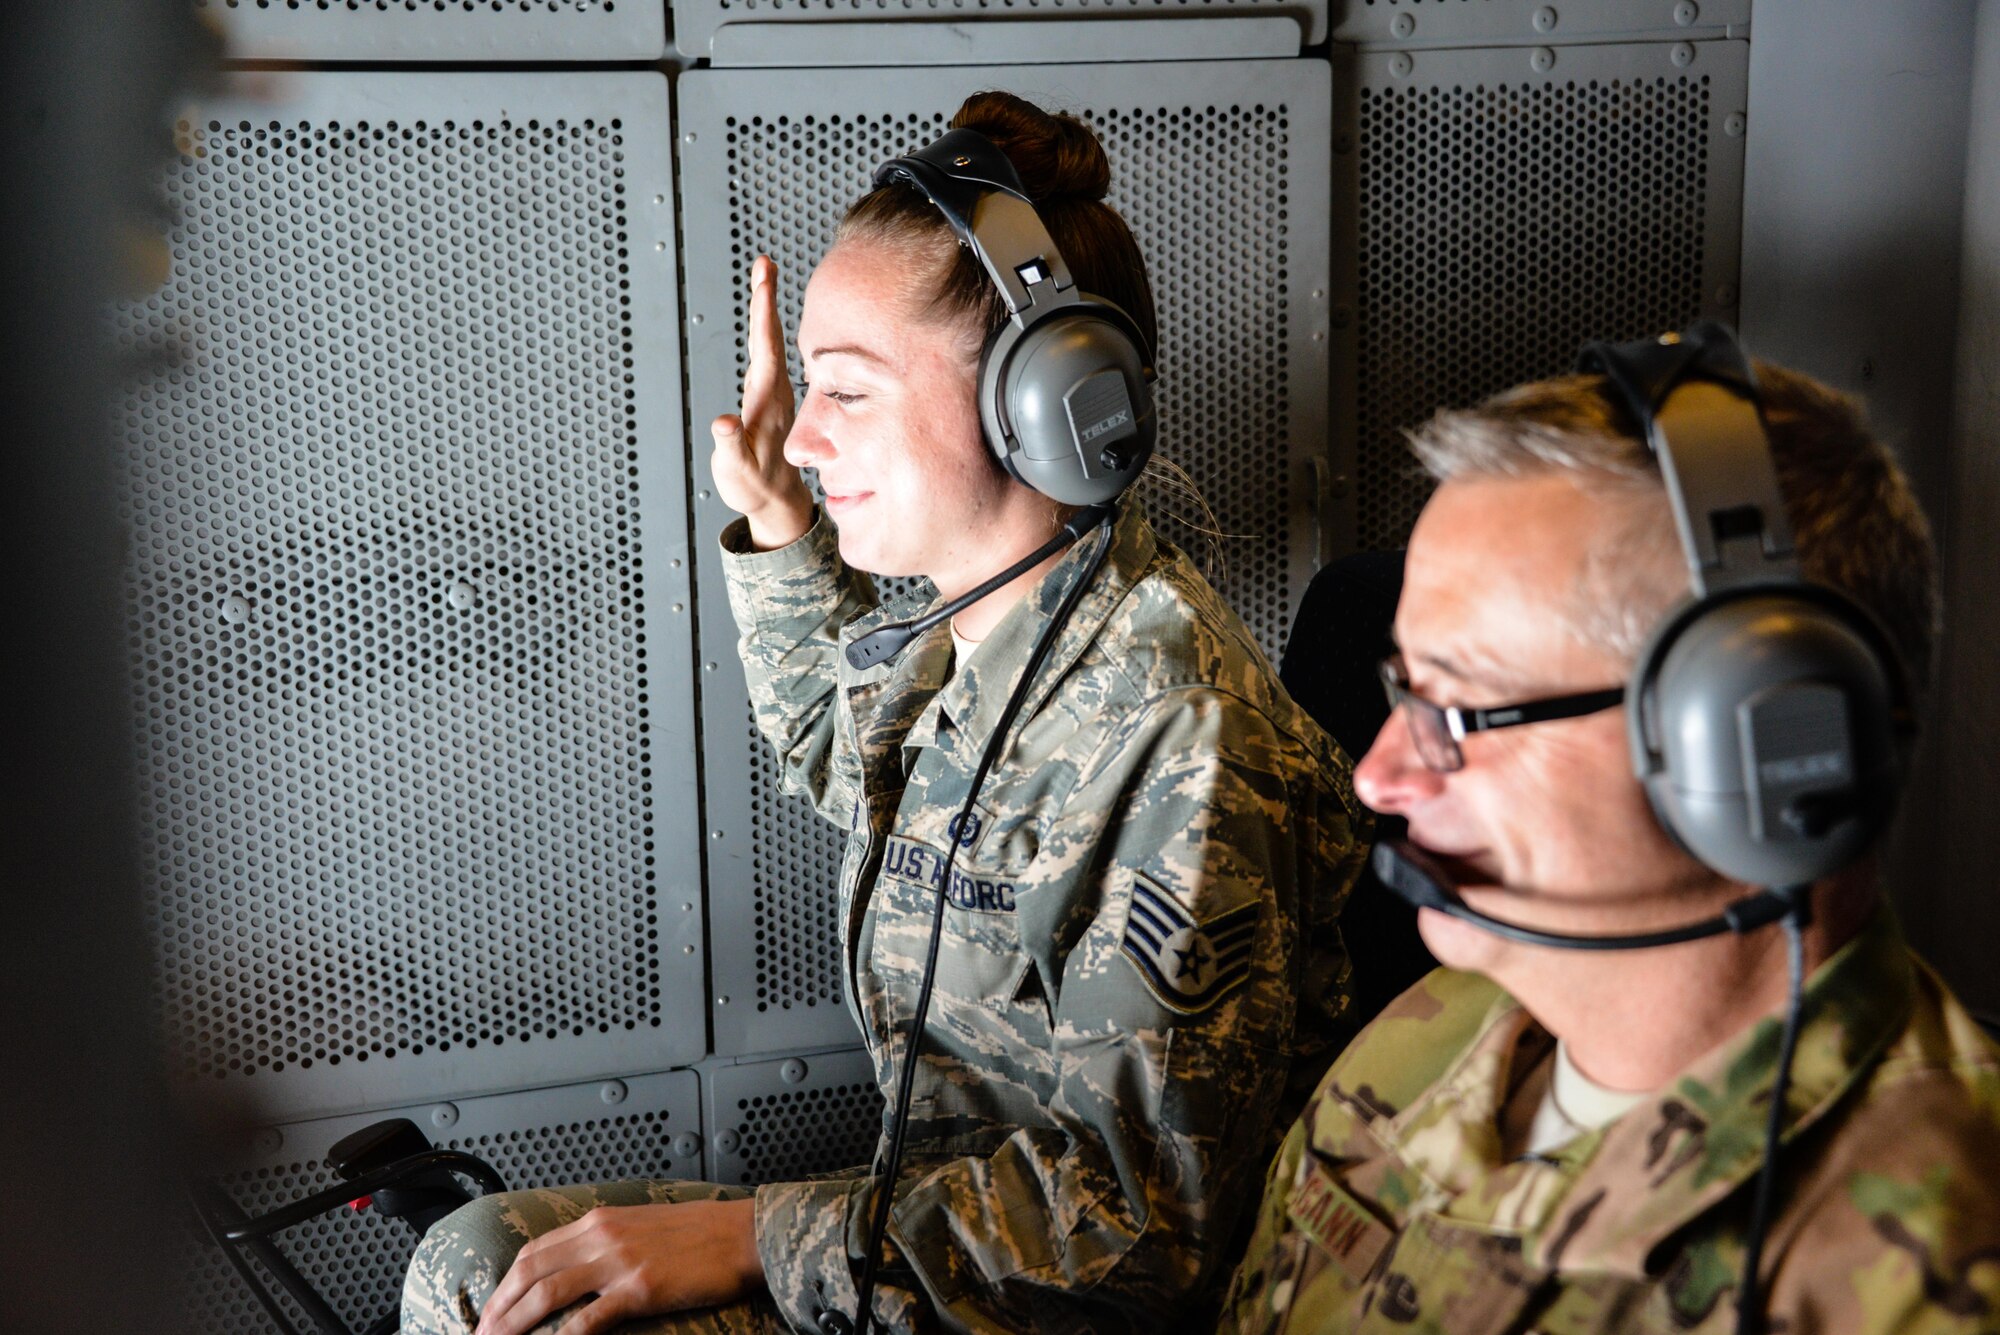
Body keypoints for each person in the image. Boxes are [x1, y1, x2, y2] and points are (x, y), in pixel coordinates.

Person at [403, 91, 1367, 1335]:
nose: (800, 435)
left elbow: (1141, 1231)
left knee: (511, 1303)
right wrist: (775, 522)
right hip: (928, 1237)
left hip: (1058, 1300)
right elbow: (842, 749)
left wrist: (753, 1234)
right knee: (482, 1263)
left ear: (1042, 402)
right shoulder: (984, 627)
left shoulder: (1179, 732)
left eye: (845, 393)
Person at [1218, 341, 2000, 1333]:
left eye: (1457, 707)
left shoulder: (1928, 1273)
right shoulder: (1430, 1038)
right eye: (1402, 687)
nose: (1376, 775)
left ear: (1756, 744)